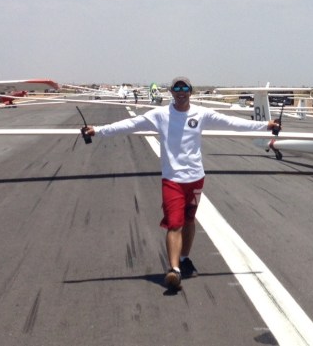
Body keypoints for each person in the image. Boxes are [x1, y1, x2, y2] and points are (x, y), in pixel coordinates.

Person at [83, 76, 281, 291]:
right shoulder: (160, 114)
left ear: (190, 91)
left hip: (196, 177)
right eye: (176, 89)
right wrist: (98, 130)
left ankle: (184, 258)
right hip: (173, 180)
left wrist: (265, 125)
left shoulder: (201, 113)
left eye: (184, 88)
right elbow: (129, 124)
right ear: (171, 92)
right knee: (174, 224)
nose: (180, 92)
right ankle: (174, 270)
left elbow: (232, 122)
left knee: (189, 221)